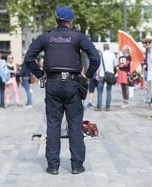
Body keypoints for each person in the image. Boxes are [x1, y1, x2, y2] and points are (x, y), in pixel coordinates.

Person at [24, 6, 100, 175]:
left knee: (53, 124)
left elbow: (29, 58)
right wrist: (87, 75)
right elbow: (95, 57)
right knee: (74, 124)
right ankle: (77, 165)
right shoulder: (78, 37)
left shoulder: (46, 37)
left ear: (56, 20)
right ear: (70, 21)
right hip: (73, 84)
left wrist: (40, 74)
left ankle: (53, 166)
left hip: (53, 83)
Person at [95, 44, 116, 111]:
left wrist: (97, 74)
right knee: (109, 91)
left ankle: (99, 107)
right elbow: (115, 65)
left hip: (101, 74)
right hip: (110, 75)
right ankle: (107, 107)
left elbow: (98, 65)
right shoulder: (112, 55)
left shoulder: (101, 54)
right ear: (109, 48)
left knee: (100, 91)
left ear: (103, 48)